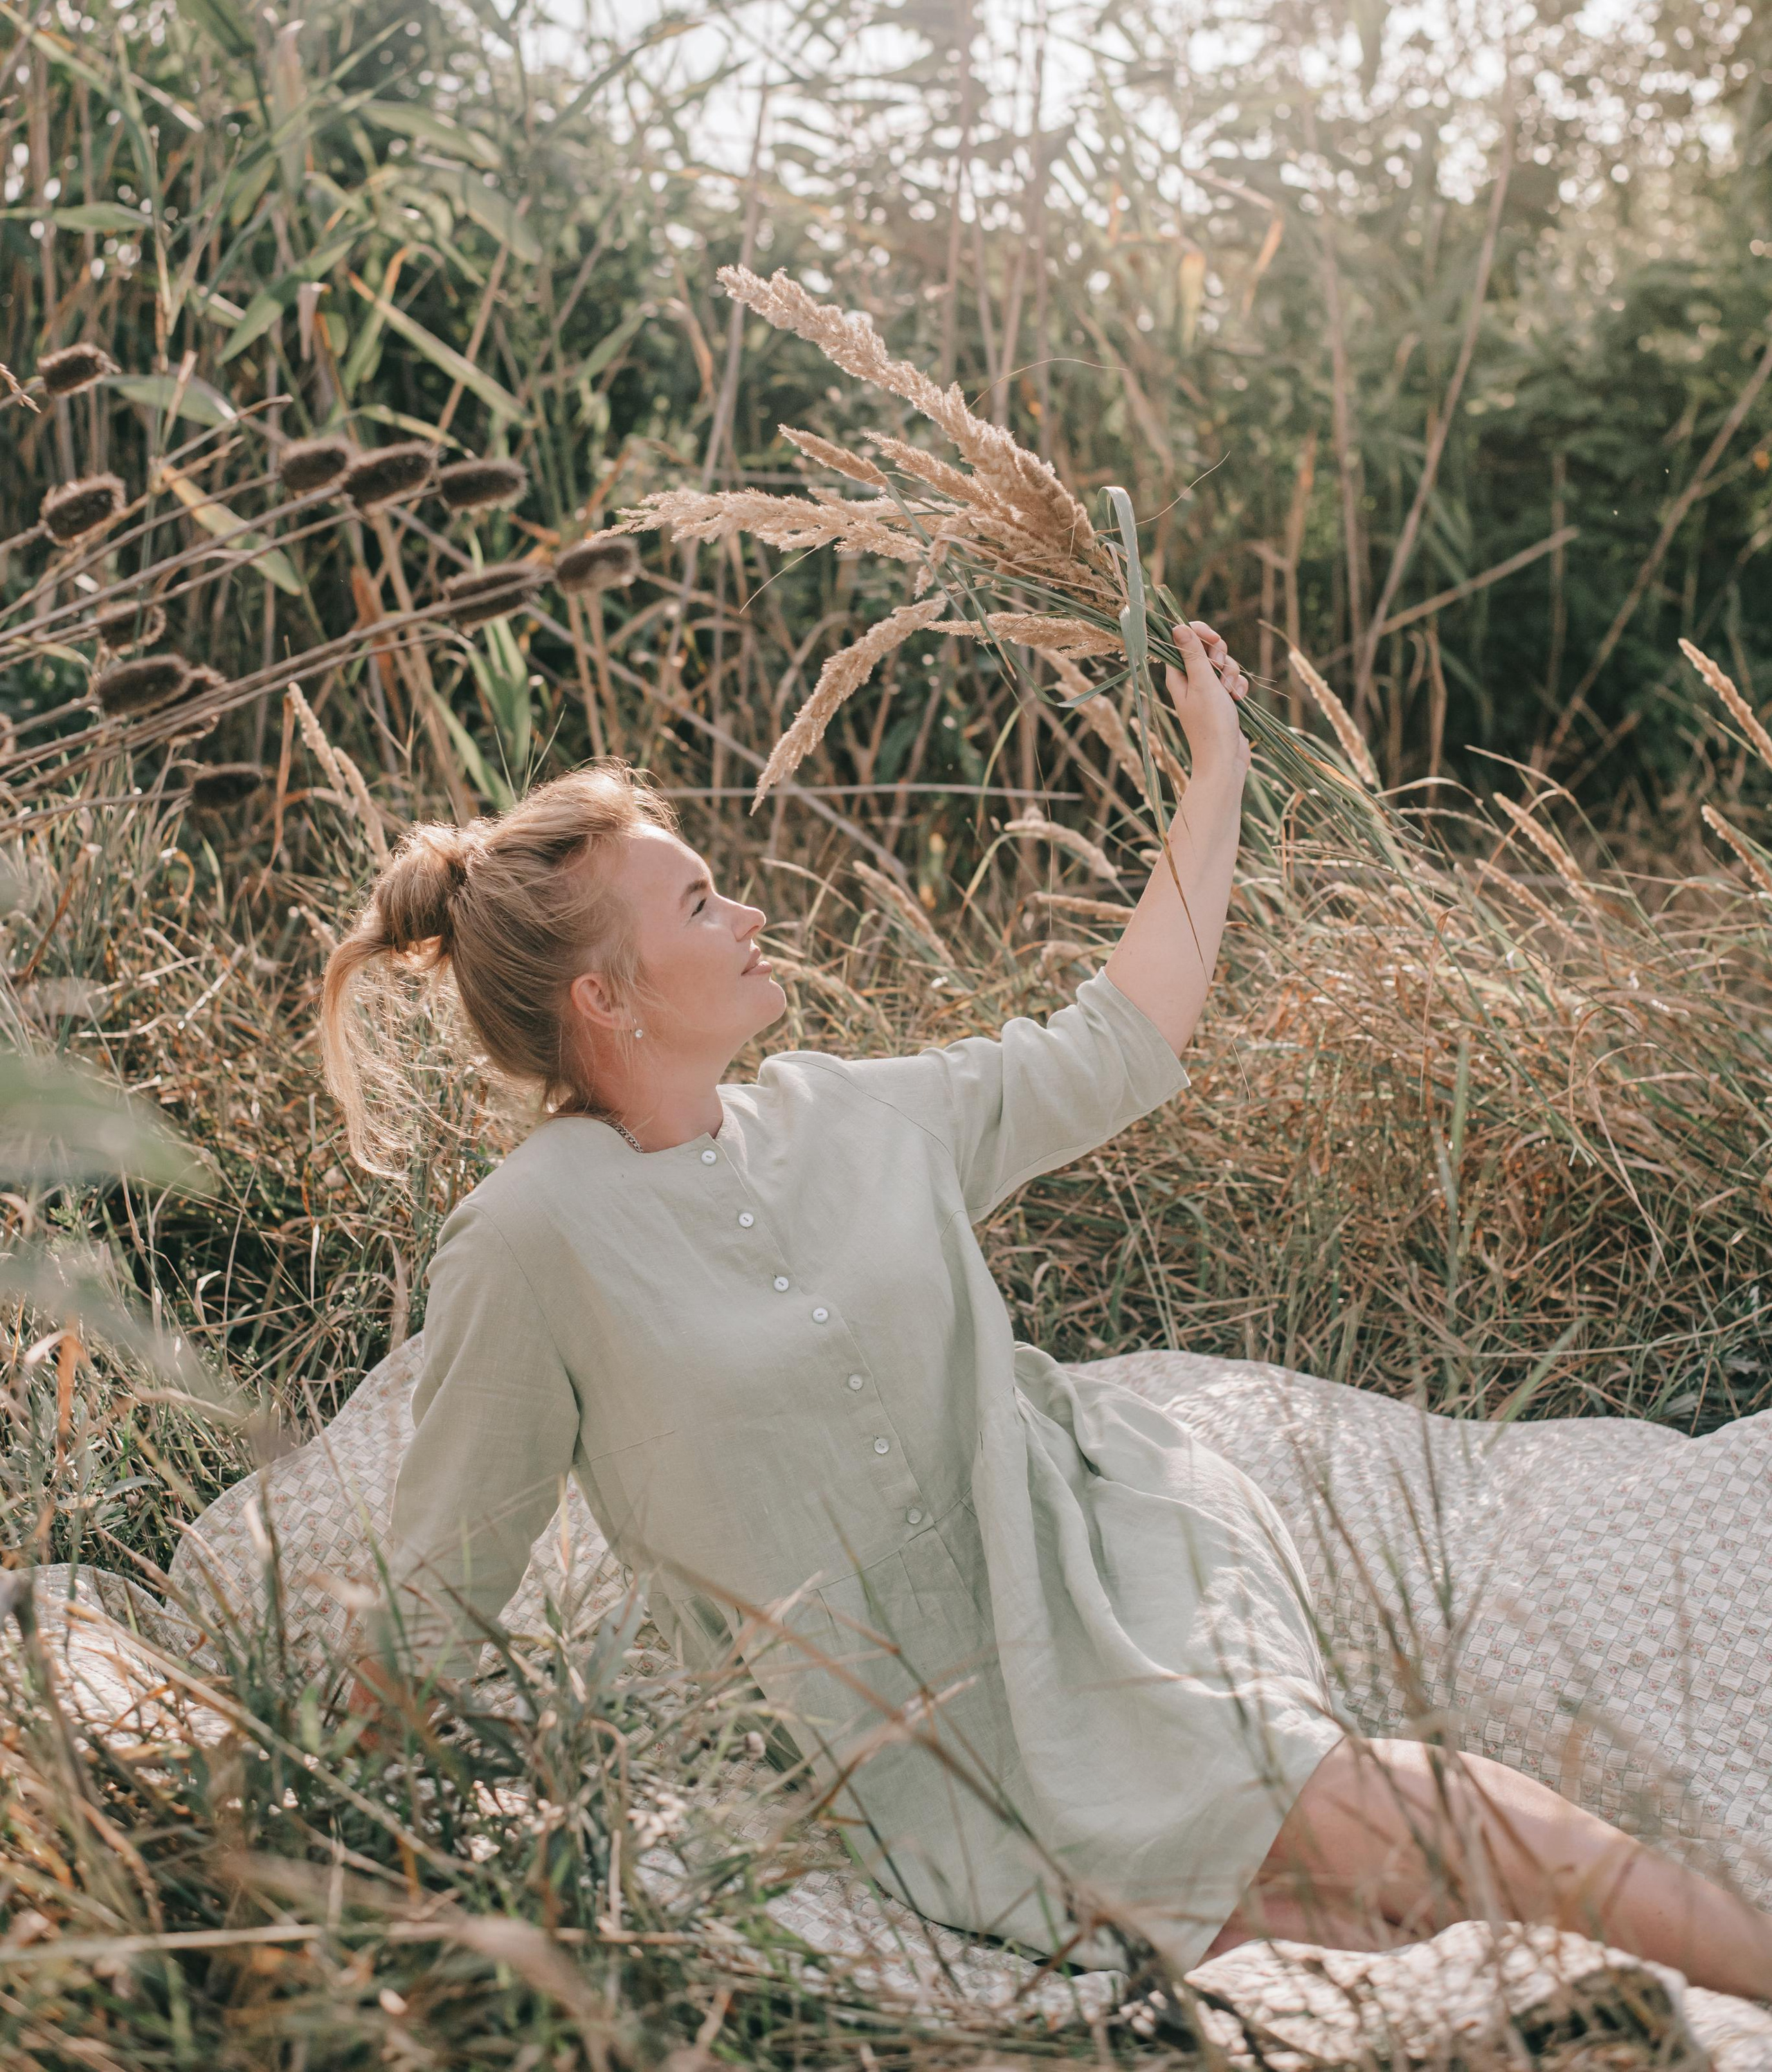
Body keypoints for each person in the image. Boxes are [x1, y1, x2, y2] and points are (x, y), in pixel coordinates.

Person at [320, 619, 1772, 1997]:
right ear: (604, 1000)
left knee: (1388, 1818)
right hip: (890, 1754)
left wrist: (1216, 782)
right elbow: (443, 1579)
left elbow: (1114, 1039)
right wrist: (312, 1838)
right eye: (701, 902)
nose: (752, 910)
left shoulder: (851, 1115)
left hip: (1093, 1587)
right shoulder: (525, 1239)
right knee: (1321, 1928)